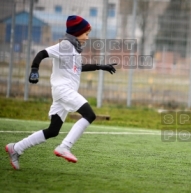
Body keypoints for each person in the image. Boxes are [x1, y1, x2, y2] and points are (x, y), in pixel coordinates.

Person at [5, 15, 117, 170]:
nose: (87, 37)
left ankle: (15, 148)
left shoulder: (74, 49)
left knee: (53, 130)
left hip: (63, 92)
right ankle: (65, 147)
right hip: (63, 90)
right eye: (85, 34)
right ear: (76, 32)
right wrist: (34, 70)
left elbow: (78, 67)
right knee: (89, 115)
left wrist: (100, 66)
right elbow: (41, 54)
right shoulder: (65, 45)